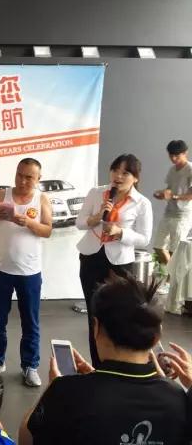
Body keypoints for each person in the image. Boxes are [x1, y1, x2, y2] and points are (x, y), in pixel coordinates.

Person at [19, 272, 191, 445]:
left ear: (96, 328)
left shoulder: (66, 393)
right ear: (157, 336)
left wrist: (52, 390)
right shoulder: (178, 398)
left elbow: (26, 439)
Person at [0, 158, 52, 388]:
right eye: (19, 175)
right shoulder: (3, 195)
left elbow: (47, 230)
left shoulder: (41, 199)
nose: (22, 180)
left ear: (38, 178)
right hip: (1, 268)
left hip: (30, 271)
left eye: (29, 177)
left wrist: (29, 222)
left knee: (30, 321)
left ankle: (30, 365)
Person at [76, 153, 152, 367]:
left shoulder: (141, 203)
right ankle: (97, 367)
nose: (118, 176)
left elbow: (144, 238)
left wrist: (121, 233)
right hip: (91, 258)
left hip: (119, 264)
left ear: (135, 178)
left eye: (125, 173)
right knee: (94, 317)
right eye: (115, 170)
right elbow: (80, 222)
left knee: (117, 315)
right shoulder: (97, 193)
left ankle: (117, 366)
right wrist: (97, 216)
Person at [153, 140, 192, 266]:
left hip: (183, 215)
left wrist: (174, 197)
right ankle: (171, 274)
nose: (173, 158)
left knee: (176, 251)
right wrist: (162, 194)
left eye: (177, 155)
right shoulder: (172, 170)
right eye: (171, 155)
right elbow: (169, 190)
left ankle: (174, 276)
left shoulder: (190, 169)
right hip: (169, 212)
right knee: (158, 247)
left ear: (185, 153)